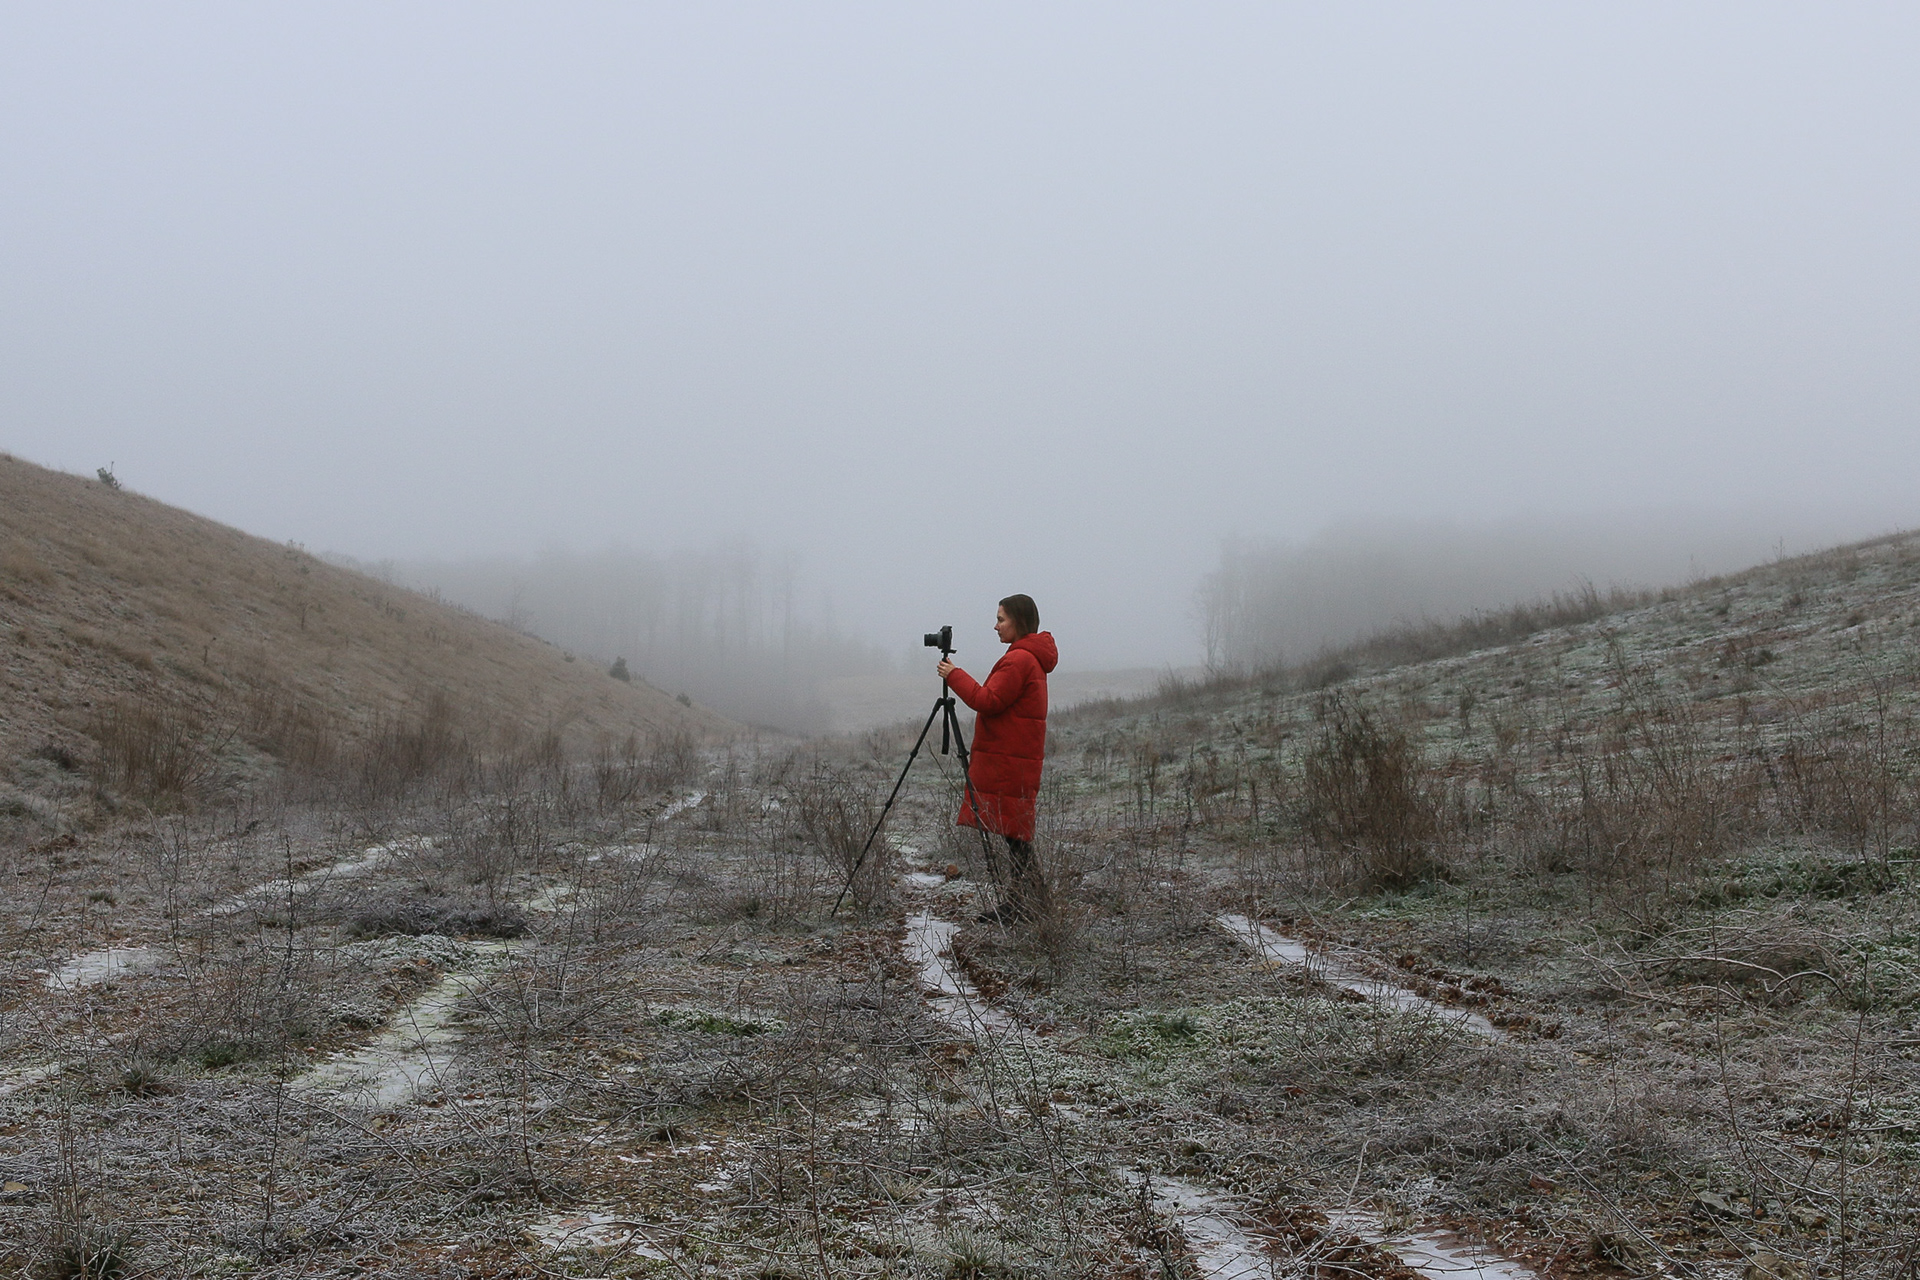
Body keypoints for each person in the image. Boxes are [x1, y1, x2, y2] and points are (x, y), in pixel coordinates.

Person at [935, 594, 1057, 921]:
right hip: (1014, 757)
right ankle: (1027, 905)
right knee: (1015, 836)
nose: (996, 625)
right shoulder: (1027, 657)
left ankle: (1025, 908)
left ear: (1019, 621)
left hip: (1010, 761)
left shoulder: (1019, 660)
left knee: (1016, 837)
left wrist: (953, 674)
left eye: (1001, 619)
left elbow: (987, 700)